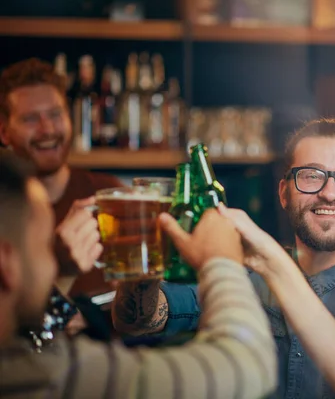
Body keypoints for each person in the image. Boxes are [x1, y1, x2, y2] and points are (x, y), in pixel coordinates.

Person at [113, 118, 335, 398]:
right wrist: (140, 260)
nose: (329, 193)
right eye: (311, 175)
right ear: (284, 193)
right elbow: (139, 320)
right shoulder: (237, 274)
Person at [0, 149, 277, 399]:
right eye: (45, 245)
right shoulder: (55, 375)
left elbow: (34, 341)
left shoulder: (18, 364)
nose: (53, 261)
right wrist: (221, 259)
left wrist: (63, 274)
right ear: (5, 265)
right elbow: (249, 367)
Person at [0, 58, 122, 299]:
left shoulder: (108, 193)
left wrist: (92, 317)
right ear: (4, 132)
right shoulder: (7, 212)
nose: (47, 130)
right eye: (31, 119)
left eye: (55, 114)